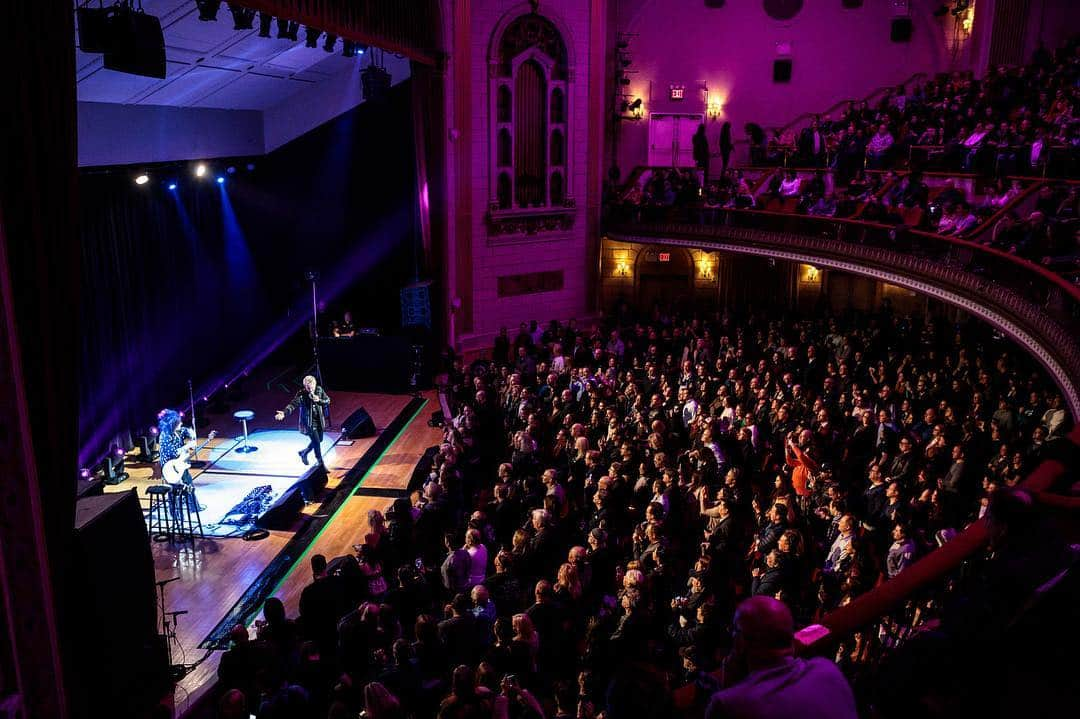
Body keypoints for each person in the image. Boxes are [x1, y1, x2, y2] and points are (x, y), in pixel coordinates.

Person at [705, 596, 857, 719]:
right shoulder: (827, 670)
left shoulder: (729, 704)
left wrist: (729, 686)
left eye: (735, 632)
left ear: (741, 642)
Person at [275, 374, 331, 469]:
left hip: (319, 421)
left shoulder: (319, 390)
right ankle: (320, 463)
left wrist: (319, 400)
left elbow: (327, 400)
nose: (310, 389)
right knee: (316, 442)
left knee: (319, 440)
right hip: (309, 423)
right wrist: (284, 413)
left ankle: (304, 452)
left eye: (312, 387)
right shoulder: (301, 394)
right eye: (308, 388)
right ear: (305, 387)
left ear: (315, 384)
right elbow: (293, 404)